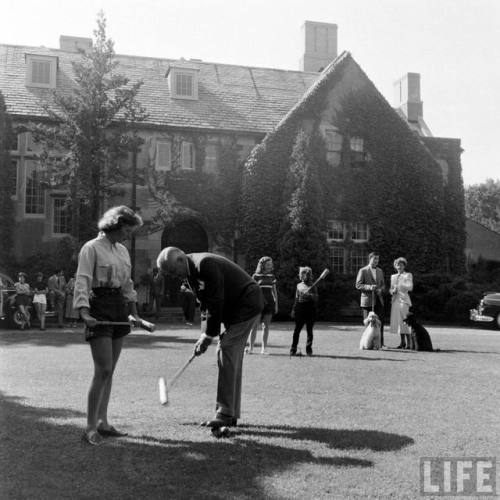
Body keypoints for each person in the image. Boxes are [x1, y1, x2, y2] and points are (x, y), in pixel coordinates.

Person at [157, 246, 263, 428]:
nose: (174, 276)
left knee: (226, 350)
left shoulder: (205, 264)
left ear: (181, 259)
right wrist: (204, 335)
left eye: (174, 271)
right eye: (170, 274)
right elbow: (204, 305)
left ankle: (224, 414)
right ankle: (230, 413)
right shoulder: (189, 273)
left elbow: (215, 300)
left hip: (247, 303)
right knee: (230, 356)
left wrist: (209, 335)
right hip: (236, 309)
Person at [74, 205, 144, 446]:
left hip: (118, 308)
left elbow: (128, 284)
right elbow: (83, 280)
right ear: (115, 224)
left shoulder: (123, 251)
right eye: (127, 228)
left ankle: (103, 422)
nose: (129, 234)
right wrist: (84, 311)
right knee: (102, 369)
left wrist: (133, 313)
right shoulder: (91, 248)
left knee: (110, 369)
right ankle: (90, 427)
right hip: (98, 305)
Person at [247, 256, 278, 355]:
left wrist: (276, 304)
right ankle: (250, 348)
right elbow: (251, 291)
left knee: (266, 327)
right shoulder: (255, 276)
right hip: (258, 304)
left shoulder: (272, 276)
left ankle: (264, 349)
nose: (270, 266)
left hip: (269, 304)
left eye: (271, 264)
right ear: (263, 265)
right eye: (268, 264)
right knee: (254, 326)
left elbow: (274, 291)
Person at [356, 252, 386, 347]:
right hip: (367, 301)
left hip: (378, 300)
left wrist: (381, 290)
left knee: (379, 323)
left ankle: (380, 344)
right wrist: (369, 287)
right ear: (370, 259)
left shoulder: (380, 271)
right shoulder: (363, 270)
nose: (376, 261)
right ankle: (367, 344)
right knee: (368, 323)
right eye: (374, 259)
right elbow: (358, 285)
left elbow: (383, 285)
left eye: (377, 259)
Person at [290, 266, 318, 357]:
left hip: (310, 308)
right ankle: (293, 350)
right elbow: (296, 298)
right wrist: (293, 309)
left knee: (309, 331)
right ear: (300, 276)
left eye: (307, 274)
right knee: (297, 330)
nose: (305, 276)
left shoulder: (313, 286)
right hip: (300, 308)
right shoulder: (299, 285)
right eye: (302, 274)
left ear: (310, 275)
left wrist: (309, 295)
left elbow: (316, 298)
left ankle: (309, 351)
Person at [389, 257, 414, 349]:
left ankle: (410, 343)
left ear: (404, 266)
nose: (399, 266)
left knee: (405, 321)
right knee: (399, 323)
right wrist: (393, 291)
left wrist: (399, 285)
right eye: (397, 264)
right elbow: (391, 289)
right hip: (395, 300)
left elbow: (410, 287)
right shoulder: (393, 276)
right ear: (395, 266)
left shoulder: (408, 275)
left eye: (401, 264)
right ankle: (402, 343)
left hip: (404, 300)